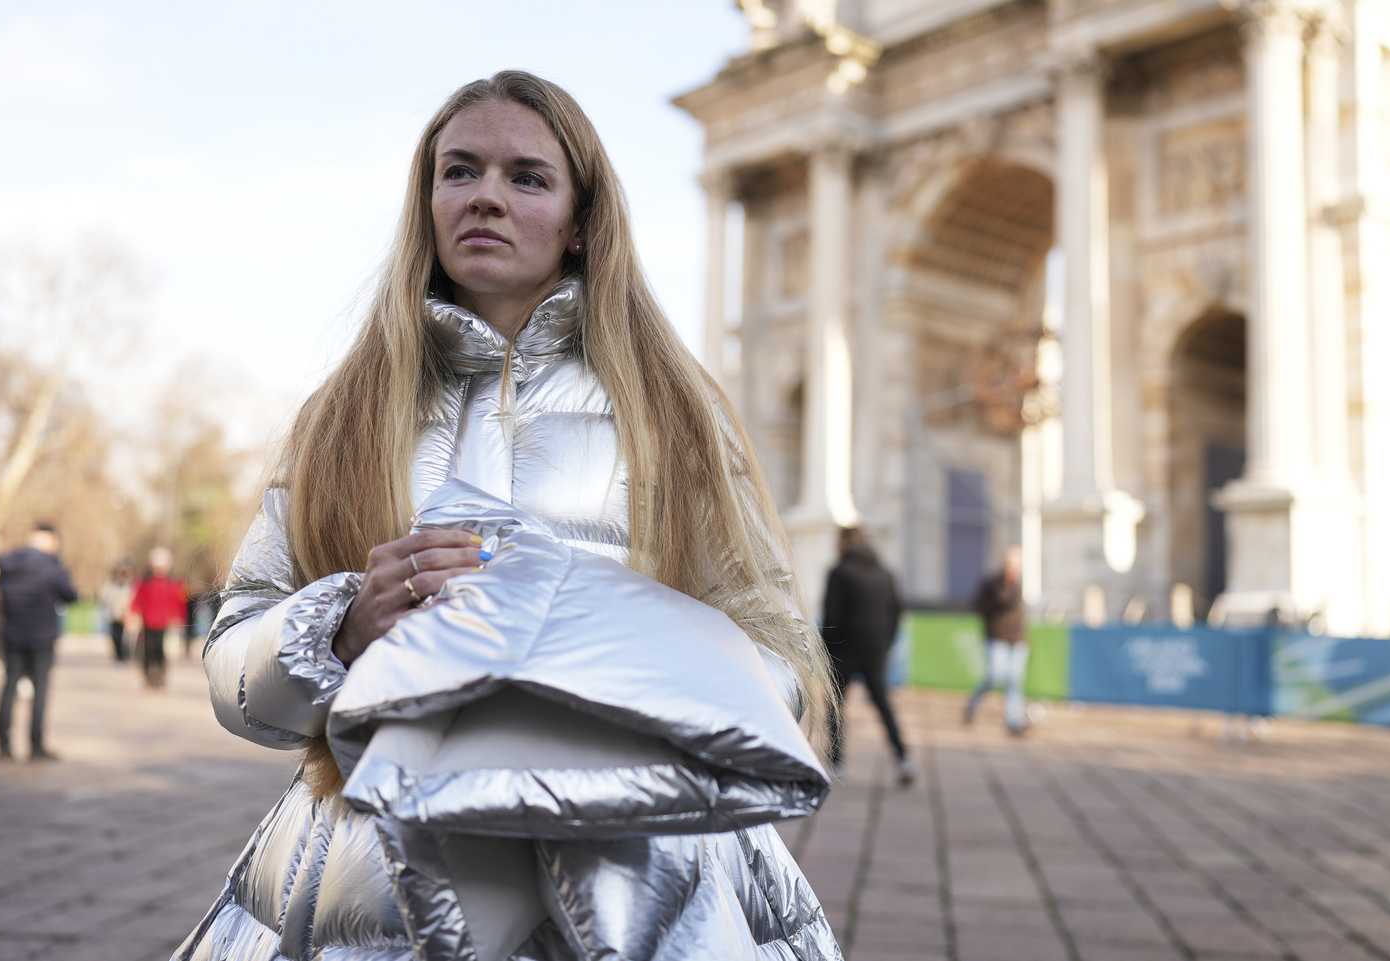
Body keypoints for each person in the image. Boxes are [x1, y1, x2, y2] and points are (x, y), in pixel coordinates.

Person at [175, 72, 840, 961]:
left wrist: (625, 660)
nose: (486, 193)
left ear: (580, 223)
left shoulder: (679, 410)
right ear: (427, 202)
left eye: (526, 176)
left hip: (645, 870)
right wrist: (338, 628)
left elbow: (781, 665)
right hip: (370, 880)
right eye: (459, 171)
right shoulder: (339, 415)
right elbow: (233, 666)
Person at [822, 526, 914, 785]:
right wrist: (885, 645)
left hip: (844, 650)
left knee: (836, 705)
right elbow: (897, 612)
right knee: (882, 704)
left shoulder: (840, 573)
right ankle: (903, 757)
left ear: (845, 542)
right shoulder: (886, 574)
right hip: (875, 651)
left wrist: (826, 648)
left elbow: (833, 617)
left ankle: (836, 761)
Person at [0, 524, 77, 761]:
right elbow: (70, 595)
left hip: (12, 634)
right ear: (51, 540)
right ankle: (36, 745)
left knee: (9, 688)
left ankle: (4, 745)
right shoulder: (51, 565)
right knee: (39, 689)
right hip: (42, 637)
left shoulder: (7, 562)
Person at [965, 545, 1030, 734]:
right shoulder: (991, 583)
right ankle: (972, 705)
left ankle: (1013, 721)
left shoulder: (1019, 586)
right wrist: (999, 599)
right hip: (996, 637)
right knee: (995, 676)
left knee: (1015, 680)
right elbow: (978, 605)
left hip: (1017, 639)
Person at [129, 548, 187, 689]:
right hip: (148, 623)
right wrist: (132, 614)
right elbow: (137, 599)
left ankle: (160, 676)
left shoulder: (175, 583)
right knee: (147, 651)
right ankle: (149, 676)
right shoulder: (145, 582)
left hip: (165, 624)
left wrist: (180, 619)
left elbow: (180, 603)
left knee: (162, 652)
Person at [98, 559, 136, 662]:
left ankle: (126, 655)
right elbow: (105, 595)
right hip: (114, 614)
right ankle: (118, 654)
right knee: (116, 636)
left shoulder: (131, 585)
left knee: (128, 637)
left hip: (127, 615)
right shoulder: (111, 584)